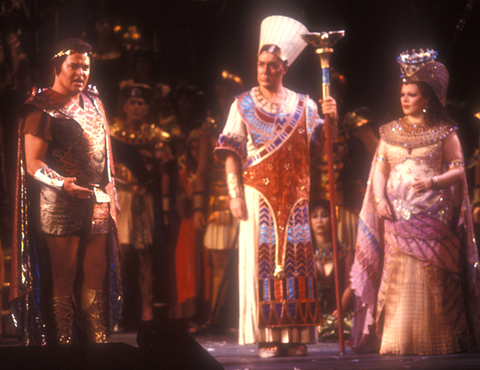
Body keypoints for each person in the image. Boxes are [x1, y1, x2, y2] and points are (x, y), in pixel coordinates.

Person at [215, 15, 337, 357]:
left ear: (285, 67)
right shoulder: (242, 104)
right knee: (264, 261)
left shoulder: (306, 105)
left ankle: (295, 334)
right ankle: (268, 335)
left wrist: (332, 118)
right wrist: (234, 195)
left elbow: (321, 151)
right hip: (258, 194)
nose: (264, 70)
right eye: (260, 64)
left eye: (271, 65)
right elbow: (231, 154)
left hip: (296, 197)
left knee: (297, 262)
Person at [350, 49, 480, 355]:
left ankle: (437, 339)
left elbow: (460, 170)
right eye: (402, 94)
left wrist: (433, 182)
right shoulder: (389, 132)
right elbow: (380, 168)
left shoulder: (444, 132)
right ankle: (396, 339)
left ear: (428, 98)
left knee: (432, 275)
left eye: (412, 94)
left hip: (433, 217)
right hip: (396, 216)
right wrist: (379, 199)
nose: (405, 99)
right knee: (396, 274)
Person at [9, 38, 122, 345]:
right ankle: (64, 348)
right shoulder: (41, 107)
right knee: (64, 278)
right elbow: (32, 164)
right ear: (57, 67)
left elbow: (105, 153)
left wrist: (111, 186)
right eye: (74, 65)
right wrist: (62, 184)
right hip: (58, 204)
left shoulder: (95, 102)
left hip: (96, 201)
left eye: (86, 66)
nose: (81, 72)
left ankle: (97, 345)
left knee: (96, 276)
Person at [110, 82, 169, 328]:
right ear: (124, 106)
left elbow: (165, 173)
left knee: (147, 257)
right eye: (132, 102)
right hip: (120, 198)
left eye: (141, 103)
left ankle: (147, 309)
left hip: (145, 200)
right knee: (119, 256)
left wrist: (165, 207)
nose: (136, 107)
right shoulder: (111, 134)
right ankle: (117, 311)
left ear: (147, 108)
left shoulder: (156, 137)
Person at [310, 199, 353, 341]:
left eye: (324, 215)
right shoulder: (304, 253)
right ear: (309, 221)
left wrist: (341, 309)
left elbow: (350, 284)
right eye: (315, 216)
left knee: (349, 326)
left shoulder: (344, 251)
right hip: (313, 316)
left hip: (338, 314)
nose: (319, 221)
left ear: (332, 218)